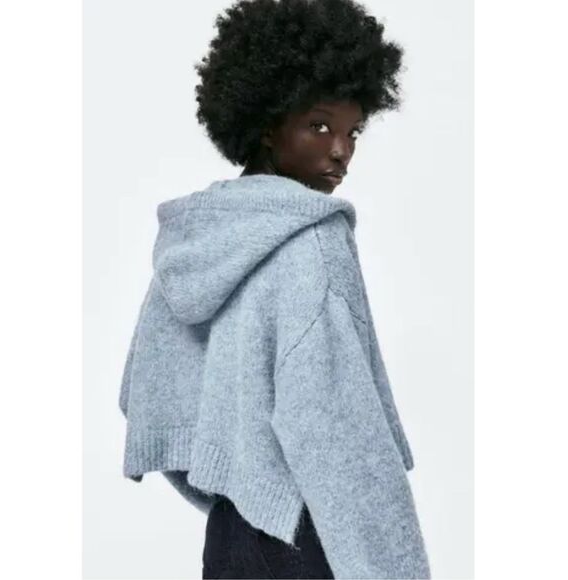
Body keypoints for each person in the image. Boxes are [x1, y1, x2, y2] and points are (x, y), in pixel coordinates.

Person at [119, 0, 431, 578]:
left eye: (353, 132)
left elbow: (147, 388)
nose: (341, 150)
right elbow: (337, 425)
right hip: (309, 538)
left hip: (229, 538)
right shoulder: (312, 239)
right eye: (320, 126)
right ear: (267, 125)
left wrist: (239, 477)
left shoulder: (196, 237)